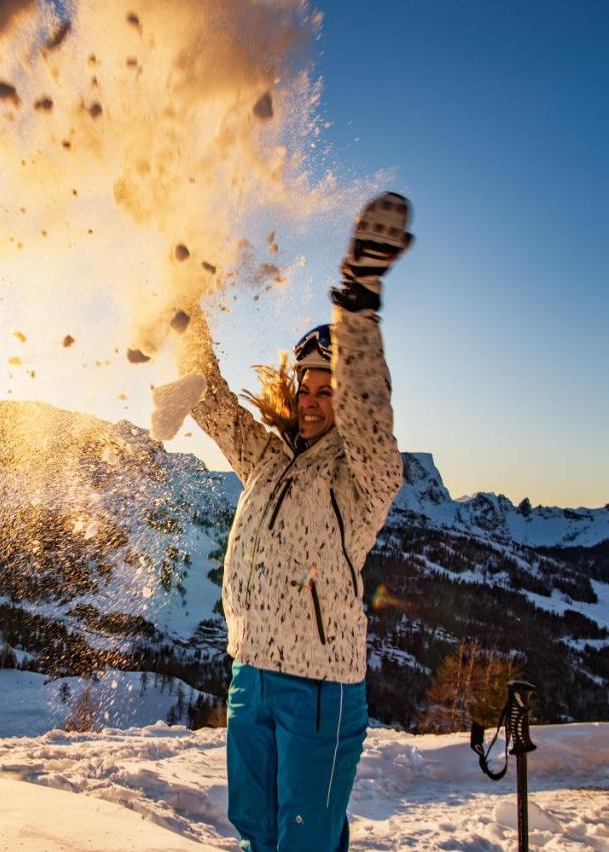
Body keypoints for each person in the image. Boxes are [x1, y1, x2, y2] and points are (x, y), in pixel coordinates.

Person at [184, 193, 412, 851]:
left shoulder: (364, 473)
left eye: (327, 390)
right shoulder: (267, 457)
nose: (313, 403)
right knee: (257, 828)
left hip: (320, 687)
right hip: (249, 673)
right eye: (306, 387)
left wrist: (357, 305)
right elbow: (215, 403)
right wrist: (181, 319)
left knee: (302, 841)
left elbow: (371, 409)